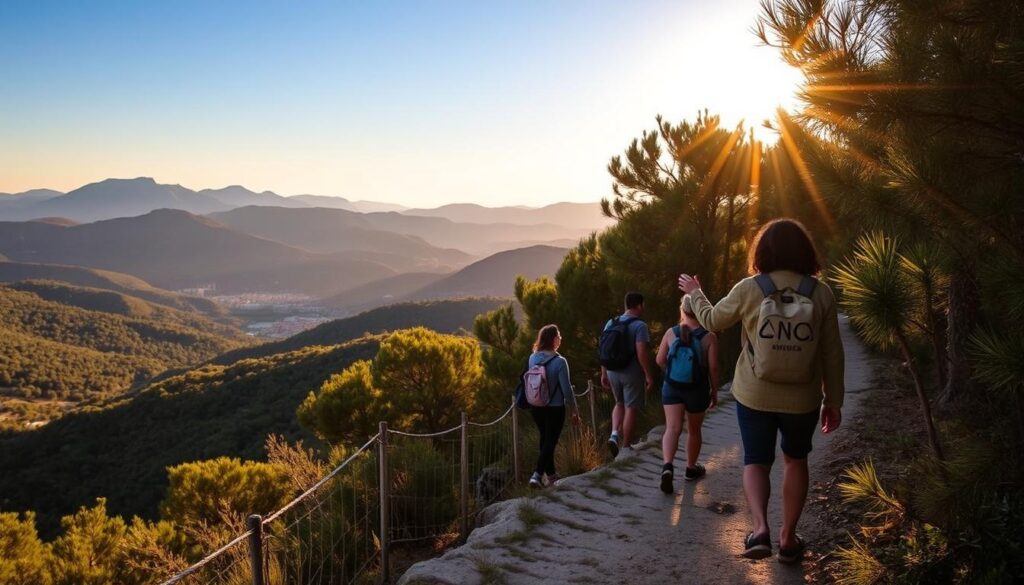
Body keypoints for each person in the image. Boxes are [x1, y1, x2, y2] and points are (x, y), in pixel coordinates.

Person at [678, 218, 844, 564]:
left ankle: (760, 530)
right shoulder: (822, 293)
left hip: (754, 394)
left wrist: (695, 291)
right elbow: (832, 353)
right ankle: (788, 540)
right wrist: (834, 401)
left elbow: (710, 321)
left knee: (756, 461)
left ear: (762, 251)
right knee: (796, 460)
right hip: (803, 399)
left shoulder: (750, 288)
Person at [655, 294, 720, 493]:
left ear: (682, 310)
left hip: (672, 387)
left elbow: (659, 360)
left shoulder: (670, 333)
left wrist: (672, 374)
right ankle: (691, 469)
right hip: (697, 389)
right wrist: (714, 391)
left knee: (672, 428)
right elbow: (713, 368)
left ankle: (667, 466)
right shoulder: (709, 337)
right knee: (694, 430)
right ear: (700, 311)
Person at [600, 292, 654, 458]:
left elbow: (603, 349)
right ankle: (626, 447)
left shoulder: (611, 322)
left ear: (625, 305)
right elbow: (641, 352)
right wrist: (648, 374)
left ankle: (614, 434)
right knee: (631, 407)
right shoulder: (640, 326)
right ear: (639, 305)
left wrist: (603, 373)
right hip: (631, 371)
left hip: (612, 371)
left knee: (619, 403)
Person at [527, 324, 580, 488]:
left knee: (545, 439)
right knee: (551, 440)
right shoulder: (560, 362)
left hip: (536, 406)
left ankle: (551, 476)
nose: (560, 339)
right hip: (555, 408)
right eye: (559, 336)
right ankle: (537, 475)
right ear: (554, 339)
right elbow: (566, 391)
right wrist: (574, 411)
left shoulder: (532, 358)